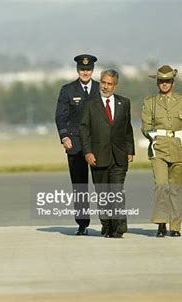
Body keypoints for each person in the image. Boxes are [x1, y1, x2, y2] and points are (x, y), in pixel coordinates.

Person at [141, 65, 182, 237]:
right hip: (158, 148)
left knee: (175, 188)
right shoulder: (150, 102)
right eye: (161, 81)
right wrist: (154, 138)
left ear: (173, 82)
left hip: (179, 147)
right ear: (157, 83)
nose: (164, 84)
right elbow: (145, 126)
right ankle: (161, 223)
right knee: (161, 185)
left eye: (167, 81)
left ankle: (175, 226)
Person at [79, 69, 135, 238]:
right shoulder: (90, 103)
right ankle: (107, 224)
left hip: (119, 156)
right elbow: (84, 129)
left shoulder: (124, 103)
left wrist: (130, 150)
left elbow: (127, 128)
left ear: (115, 86)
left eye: (109, 84)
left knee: (117, 192)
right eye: (103, 82)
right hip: (98, 156)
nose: (105, 86)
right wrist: (87, 152)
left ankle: (119, 225)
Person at [55, 54, 99, 235]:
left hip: (97, 143)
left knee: (101, 184)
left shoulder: (100, 88)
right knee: (79, 185)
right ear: (77, 70)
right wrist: (64, 137)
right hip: (75, 144)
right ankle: (82, 223)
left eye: (88, 69)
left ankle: (107, 221)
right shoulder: (67, 90)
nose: (85, 72)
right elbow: (60, 116)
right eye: (82, 69)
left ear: (92, 70)